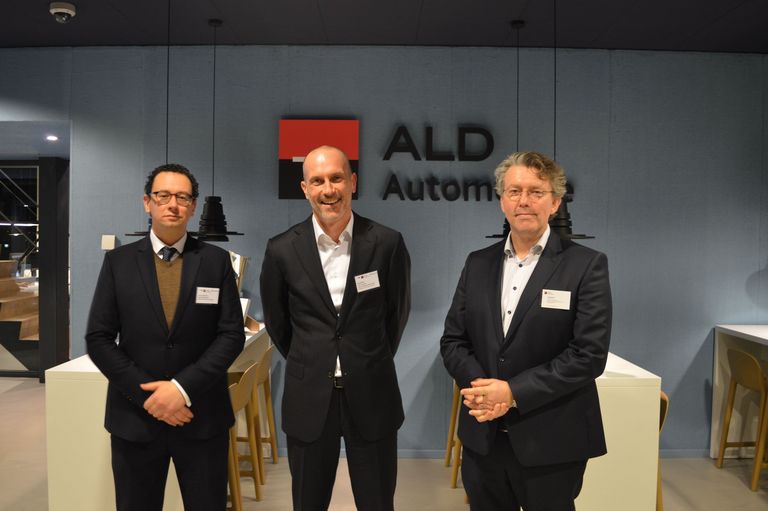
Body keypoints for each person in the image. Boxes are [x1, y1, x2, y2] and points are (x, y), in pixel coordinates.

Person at [440, 151, 612, 511]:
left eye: (536, 191)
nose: (524, 201)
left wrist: (512, 392)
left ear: (555, 202)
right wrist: (482, 390)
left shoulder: (586, 265)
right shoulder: (477, 263)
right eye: (514, 191)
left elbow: (588, 355)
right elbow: (454, 341)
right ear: (502, 200)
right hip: (483, 438)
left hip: (551, 439)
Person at [86, 163, 244, 511]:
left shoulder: (216, 262)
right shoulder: (118, 262)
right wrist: (150, 397)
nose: (173, 204)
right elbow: (98, 337)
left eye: (183, 197)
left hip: (202, 417)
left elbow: (231, 335)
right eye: (163, 195)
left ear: (193, 206)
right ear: (147, 202)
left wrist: (181, 389)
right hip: (135, 419)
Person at [260, 145, 411, 511]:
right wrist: (314, 358)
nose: (328, 189)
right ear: (305, 189)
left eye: (336, 178)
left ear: (353, 182)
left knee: (377, 503)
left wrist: (365, 357)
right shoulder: (281, 249)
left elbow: (396, 314)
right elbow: (279, 323)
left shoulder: (387, 243)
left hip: (372, 394)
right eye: (318, 181)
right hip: (309, 398)